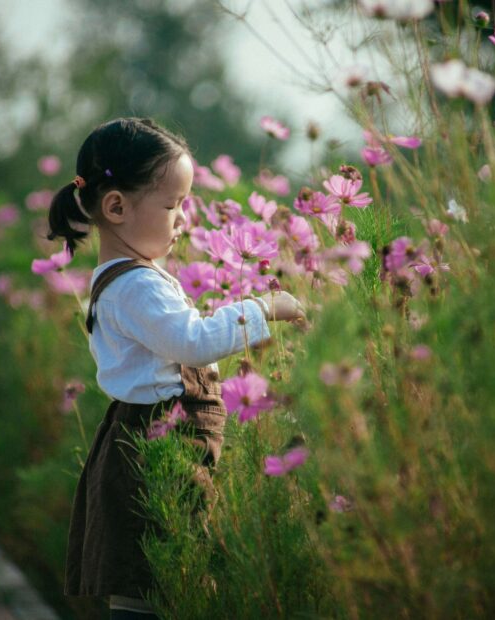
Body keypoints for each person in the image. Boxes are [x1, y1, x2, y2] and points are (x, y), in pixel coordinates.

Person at [47, 117, 305, 619]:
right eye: (171, 205)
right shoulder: (134, 286)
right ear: (116, 207)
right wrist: (263, 308)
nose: (182, 217)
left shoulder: (131, 278)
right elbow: (191, 343)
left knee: (154, 570)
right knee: (149, 575)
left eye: (184, 203)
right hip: (156, 442)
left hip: (153, 437)